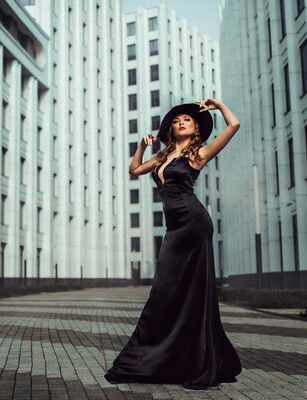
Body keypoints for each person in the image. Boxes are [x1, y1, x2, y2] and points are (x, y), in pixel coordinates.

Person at [104, 99, 242, 390]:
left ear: (195, 131)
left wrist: (217, 104)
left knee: (179, 291)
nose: (182, 122)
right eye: (178, 120)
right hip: (174, 227)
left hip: (193, 223)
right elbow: (135, 170)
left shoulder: (199, 154)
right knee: (169, 292)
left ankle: (189, 359)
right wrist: (142, 146)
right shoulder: (163, 155)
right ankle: (165, 357)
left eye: (188, 120)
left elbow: (234, 125)